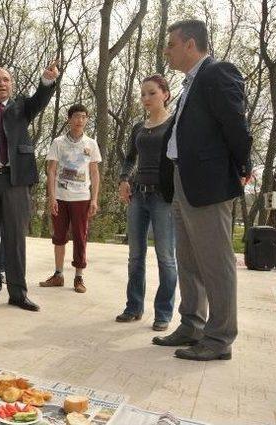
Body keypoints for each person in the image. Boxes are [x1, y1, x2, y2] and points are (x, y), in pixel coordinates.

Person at [153, 20, 252, 361]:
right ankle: (192, 325)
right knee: (189, 260)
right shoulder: (189, 84)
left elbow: (235, 123)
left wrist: (243, 166)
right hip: (184, 180)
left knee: (216, 262)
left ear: (190, 44)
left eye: (171, 44)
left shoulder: (218, 72)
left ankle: (220, 338)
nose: (167, 50)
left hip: (208, 182)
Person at [0, 62, 59, 312]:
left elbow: (40, 99)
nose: (2, 84)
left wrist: (47, 81)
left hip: (16, 181)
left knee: (16, 238)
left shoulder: (21, 109)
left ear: (12, 84)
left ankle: (18, 293)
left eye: (6, 79)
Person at [115, 75, 177, 332]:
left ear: (165, 94)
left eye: (151, 93)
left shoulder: (175, 124)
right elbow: (130, 158)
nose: (146, 99)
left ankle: (163, 312)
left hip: (163, 197)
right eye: (142, 94)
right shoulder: (138, 127)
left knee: (166, 257)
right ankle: (134, 307)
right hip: (137, 196)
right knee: (135, 256)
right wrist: (123, 179)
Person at [38, 104, 101, 293]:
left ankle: (79, 277)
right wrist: (52, 197)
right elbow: (51, 170)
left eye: (83, 117)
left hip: (82, 197)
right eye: (76, 116)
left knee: (80, 237)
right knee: (59, 236)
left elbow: (95, 173)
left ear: (87, 119)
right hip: (61, 196)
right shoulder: (58, 142)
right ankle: (58, 274)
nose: (79, 120)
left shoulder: (91, 143)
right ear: (69, 119)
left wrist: (94, 199)